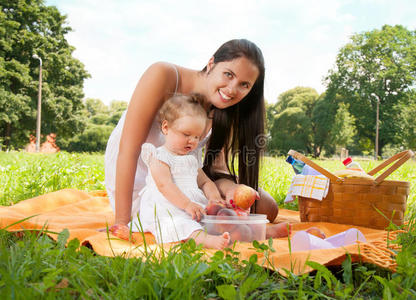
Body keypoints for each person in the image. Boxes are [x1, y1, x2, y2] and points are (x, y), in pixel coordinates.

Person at [105, 39, 287, 239]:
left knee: (267, 207)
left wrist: (230, 190)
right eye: (228, 74)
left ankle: (244, 227)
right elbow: (128, 150)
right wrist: (122, 222)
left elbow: (216, 169)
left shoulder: (225, 108)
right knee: (190, 217)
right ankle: (231, 228)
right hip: (144, 185)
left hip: (186, 180)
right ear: (211, 64)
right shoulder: (163, 75)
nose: (232, 89)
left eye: (244, 85)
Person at [130, 93, 230, 249]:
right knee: (181, 224)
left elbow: (204, 182)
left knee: (215, 220)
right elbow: (165, 186)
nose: (192, 141)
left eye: (197, 136)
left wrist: (214, 197)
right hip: (167, 208)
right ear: (166, 128)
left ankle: (260, 232)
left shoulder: (191, 159)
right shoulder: (159, 156)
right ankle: (208, 241)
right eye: (186, 134)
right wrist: (187, 204)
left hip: (190, 207)